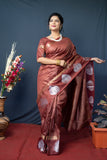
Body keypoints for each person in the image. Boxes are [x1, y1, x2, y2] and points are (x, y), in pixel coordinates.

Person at [36, 12, 105, 155]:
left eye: (56, 20)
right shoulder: (43, 40)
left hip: (63, 79)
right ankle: (44, 138)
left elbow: (76, 58)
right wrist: (57, 61)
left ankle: (53, 141)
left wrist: (90, 59)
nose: (53, 23)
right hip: (46, 77)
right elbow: (39, 59)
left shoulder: (67, 41)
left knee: (58, 105)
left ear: (61, 24)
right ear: (49, 25)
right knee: (46, 108)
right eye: (51, 21)